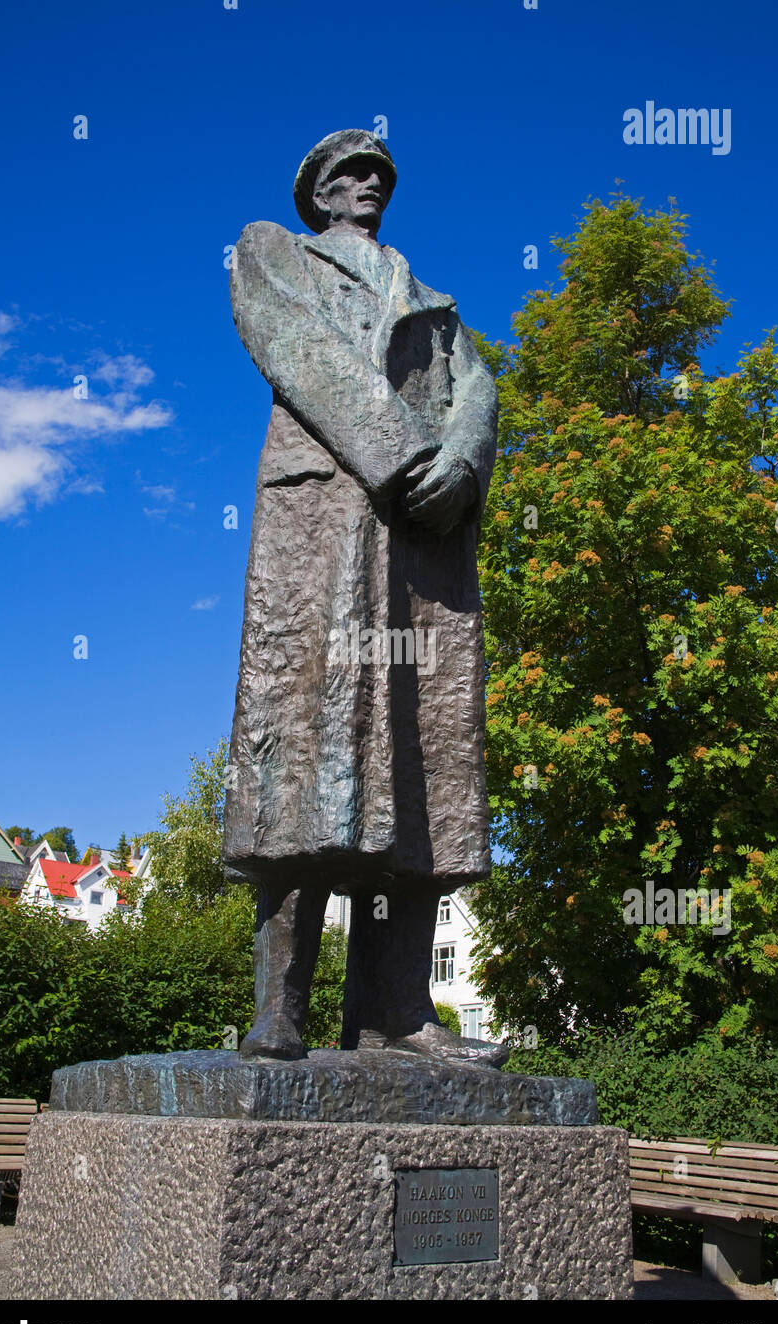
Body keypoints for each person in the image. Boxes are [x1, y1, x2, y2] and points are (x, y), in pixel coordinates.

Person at [224, 129, 507, 1067]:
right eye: (351, 173)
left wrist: (461, 464)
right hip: (329, 522)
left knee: (423, 767)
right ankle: (281, 1010)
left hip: (424, 546)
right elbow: (299, 349)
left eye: (380, 174)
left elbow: (481, 386)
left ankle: (396, 1011)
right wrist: (403, 455)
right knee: (308, 751)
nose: (370, 183)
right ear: (319, 192)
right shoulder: (275, 251)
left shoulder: (433, 303)